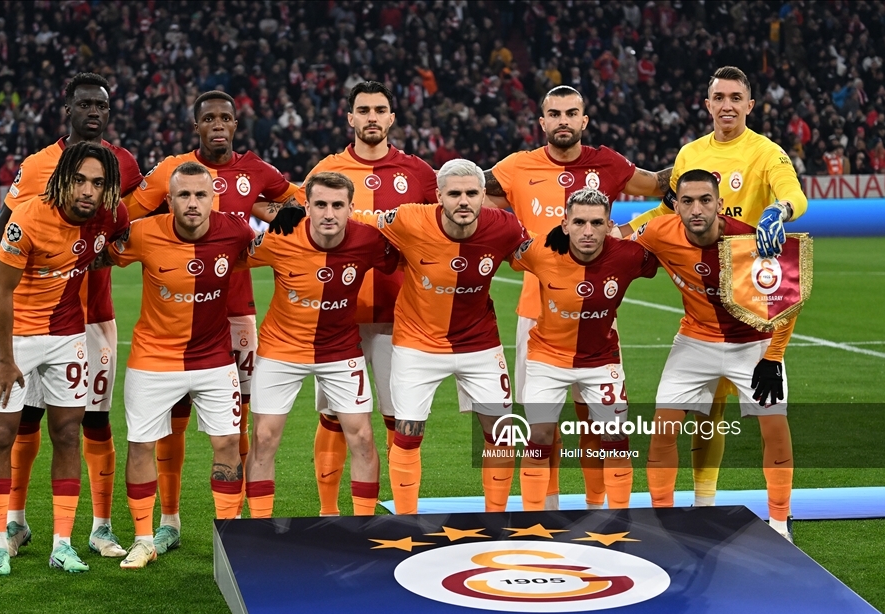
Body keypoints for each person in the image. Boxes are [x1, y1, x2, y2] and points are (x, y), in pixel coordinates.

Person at [122, 90, 297, 554]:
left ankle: (237, 527)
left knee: (234, 425)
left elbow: (292, 208)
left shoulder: (256, 171)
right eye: (209, 118)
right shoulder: (171, 170)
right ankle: (169, 519)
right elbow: (128, 216)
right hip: (175, 317)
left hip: (236, 315)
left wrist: (268, 212)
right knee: (172, 421)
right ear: (196, 125)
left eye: (225, 118)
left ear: (236, 124)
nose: (218, 125)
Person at [484, 84, 672, 511]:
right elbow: (467, 193)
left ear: (584, 120)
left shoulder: (607, 162)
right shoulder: (516, 167)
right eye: (555, 114)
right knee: (541, 426)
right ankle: (546, 511)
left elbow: (659, 185)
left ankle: (595, 507)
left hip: (597, 314)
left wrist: (708, 159)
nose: (563, 121)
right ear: (542, 122)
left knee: (596, 421)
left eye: (571, 113)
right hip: (537, 313)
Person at [628, 66, 808, 508]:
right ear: (708, 105)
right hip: (702, 297)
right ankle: (703, 504)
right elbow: (667, 210)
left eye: (736, 98)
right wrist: (624, 231)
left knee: (759, 416)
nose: (727, 105)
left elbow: (795, 195)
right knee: (706, 412)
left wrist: (778, 211)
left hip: (752, 299)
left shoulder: (766, 153)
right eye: (719, 98)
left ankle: (778, 516)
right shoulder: (690, 153)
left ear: (750, 105)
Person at [0, 73, 142, 559]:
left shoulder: (124, 163)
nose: (93, 112)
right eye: (85, 104)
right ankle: (16, 522)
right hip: (38, 318)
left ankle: (100, 527)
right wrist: (0, 280)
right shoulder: (38, 164)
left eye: (102, 105)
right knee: (27, 420)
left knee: (92, 422)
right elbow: (3, 222)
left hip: (93, 317)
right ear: (68, 109)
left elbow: (132, 224)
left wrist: (107, 255)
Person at [269, 81, 437, 517]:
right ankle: (329, 513)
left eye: (380, 110)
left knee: (399, 419)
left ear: (392, 117)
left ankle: (402, 514)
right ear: (350, 117)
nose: (372, 117)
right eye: (363, 110)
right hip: (336, 320)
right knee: (333, 417)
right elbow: (299, 224)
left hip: (400, 318)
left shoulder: (419, 173)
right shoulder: (327, 170)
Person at [106, 162, 255, 569]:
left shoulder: (236, 232)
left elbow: (273, 251)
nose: (192, 202)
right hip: (153, 359)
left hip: (214, 359)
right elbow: (100, 255)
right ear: (168, 200)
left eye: (200, 194)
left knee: (228, 443)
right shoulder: (142, 233)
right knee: (141, 444)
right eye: (184, 195)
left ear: (213, 199)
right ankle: (143, 539)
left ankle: (231, 539)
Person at [633, 169, 796, 541]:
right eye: (687, 201)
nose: (696, 209)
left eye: (705, 200)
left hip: (754, 344)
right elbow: (622, 249)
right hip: (695, 341)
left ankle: (780, 523)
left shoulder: (750, 241)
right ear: (675, 206)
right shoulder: (658, 232)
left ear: (719, 204)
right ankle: (665, 520)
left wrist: (773, 357)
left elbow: (788, 301)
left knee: (774, 427)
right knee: (662, 430)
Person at [378, 159, 529, 515]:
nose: (464, 201)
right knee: (407, 434)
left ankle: (496, 518)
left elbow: (537, 255)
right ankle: (406, 520)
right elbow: (361, 225)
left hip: (480, 344)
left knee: (502, 433)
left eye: (472, 193)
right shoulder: (408, 219)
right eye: (455, 193)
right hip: (417, 344)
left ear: (483, 196)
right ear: (438, 196)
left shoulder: (505, 226)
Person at [243, 172, 399, 518]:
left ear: (351, 208)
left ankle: (363, 526)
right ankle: (259, 527)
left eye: (338, 205)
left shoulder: (368, 240)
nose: (329, 214)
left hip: (340, 350)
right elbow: (233, 254)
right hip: (280, 349)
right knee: (264, 438)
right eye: (321, 204)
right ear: (307, 206)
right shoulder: (280, 237)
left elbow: (407, 258)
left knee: (362, 437)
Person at [509, 187, 658, 510]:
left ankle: (615, 519)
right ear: (564, 225)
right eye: (579, 222)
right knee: (539, 436)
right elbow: (503, 250)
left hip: (601, 361)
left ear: (609, 225)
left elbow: (668, 256)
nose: (587, 231)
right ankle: (533, 520)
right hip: (547, 358)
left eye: (596, 223)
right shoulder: (539, 250)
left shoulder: (629, 256)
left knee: (615, 438)